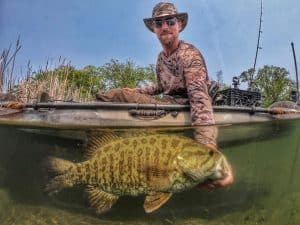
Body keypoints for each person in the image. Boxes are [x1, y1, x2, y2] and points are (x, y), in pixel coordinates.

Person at [96, 2, 233, 188]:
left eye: (170, 21)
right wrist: (136, 91)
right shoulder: (161, 59)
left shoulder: (189, 55)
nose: (165, 27)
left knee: (117, 96)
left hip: (178, 109)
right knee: (120, 94)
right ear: (154, 29)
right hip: (166, 103)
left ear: (179, 25)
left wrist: (206, 144)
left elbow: (199, 98)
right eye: (158, 23)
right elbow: (160, 86)